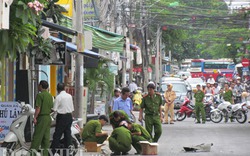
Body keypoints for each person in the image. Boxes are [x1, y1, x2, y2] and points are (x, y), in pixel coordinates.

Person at [30, 80, 53, 156]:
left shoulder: (40, 95)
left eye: (39, 85)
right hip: (48, 118)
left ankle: (32, 154)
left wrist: (35, 117)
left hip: (42, 118)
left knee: (37, 137)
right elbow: (51, 108)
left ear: (41, 86)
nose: (38, 87)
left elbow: (38, 108)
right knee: (46, 139)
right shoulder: (50, 96)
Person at [51, 83, 74, 155]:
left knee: (57, 135)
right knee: (67, 135)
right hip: (69, 116)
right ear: (64, 88)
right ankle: (68, 152)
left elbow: (54, 109)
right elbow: (71, 108)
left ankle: (52, 152)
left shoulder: (58, 97)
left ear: (57, 89)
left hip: (61, 117)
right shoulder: (69, 96)